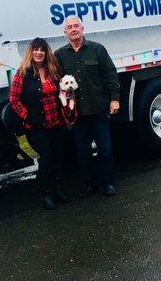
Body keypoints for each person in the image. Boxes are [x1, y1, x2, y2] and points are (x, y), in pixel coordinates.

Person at [54, 16, 120, 197]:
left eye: (76, 26)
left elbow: (110, 74)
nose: (73, 29)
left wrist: (114, 99)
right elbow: (55, 82)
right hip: (77, 115)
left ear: (82, 29)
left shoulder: (97, 49)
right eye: (70, 27)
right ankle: (91, 184)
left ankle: (107, 184)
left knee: (105, 149)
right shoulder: (59, 55)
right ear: (65, 32)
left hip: (98, 109)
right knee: (83, 152)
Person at [9, 37, 71, 210]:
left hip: (56, 122)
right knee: (47, 158)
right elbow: (14, 100)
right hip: (36, 126)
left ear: (46, 52)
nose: (39, 53)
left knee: (58, 157)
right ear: (31, 51)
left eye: (42, 50)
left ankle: (59, 190)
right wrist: (27, 116)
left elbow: (63, 91)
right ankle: (47, 194)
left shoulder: (52, 70)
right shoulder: (22, 73)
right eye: (36, 49)